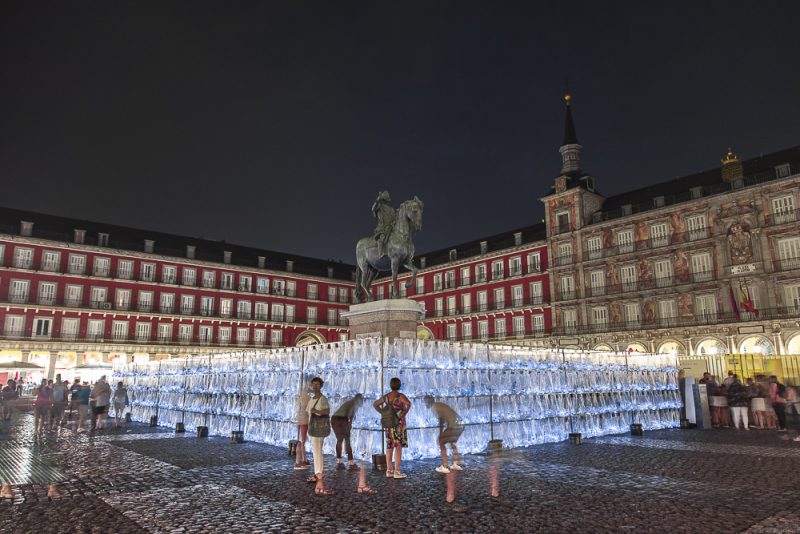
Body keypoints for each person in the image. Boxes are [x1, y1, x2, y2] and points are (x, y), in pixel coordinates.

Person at [374, 377, 411, 479]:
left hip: (389, 424)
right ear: (399, 385)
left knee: (389, 446)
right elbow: (408, 404)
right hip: (398, 423)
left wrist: (383, 412)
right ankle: (397, 471)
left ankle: (389, 470)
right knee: (398, 447)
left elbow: (375, 404)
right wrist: (403, 413)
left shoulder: (386, 397)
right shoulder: (400, 396)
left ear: (390, 385)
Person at [306, 377, 333, 495]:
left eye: (317, 384)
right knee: (316, 451)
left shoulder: (323, 399)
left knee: (317, 451)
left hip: (319, 429)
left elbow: (327, 411)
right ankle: (317, 473)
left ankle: (319, 474)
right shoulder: (312, 398)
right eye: (314, 384)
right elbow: (308, 412)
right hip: (312, 428)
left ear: (321, 386)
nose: (315, 386)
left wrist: (316, 411)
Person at [424, 397, 464, 474]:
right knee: (452, 442)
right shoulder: (439, 405)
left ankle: (445, 466)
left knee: (441, 441)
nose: (425, 404)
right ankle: (456, 463)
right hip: (460, 424)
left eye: (426, 402)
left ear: (429, 401)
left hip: (454, 425)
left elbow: (441, 419)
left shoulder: (435, 407)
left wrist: (441, 433)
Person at [331, 394, 363, 471]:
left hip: (334, 419)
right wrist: (349, 423)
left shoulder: (349, 402)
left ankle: (339, 462)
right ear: (359, 399)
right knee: (347, 440)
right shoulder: (354, 403)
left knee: (339, 440)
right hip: (342, 420)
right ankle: (351, 463)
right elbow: (350, 413)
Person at [294, 382, 311, 469]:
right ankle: (298, 462)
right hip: (304, 420)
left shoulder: (301, 395)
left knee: (302, 441)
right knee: (302, 441)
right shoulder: (305, 396)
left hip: (301, 419)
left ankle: (304, 459)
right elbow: (307, 408)